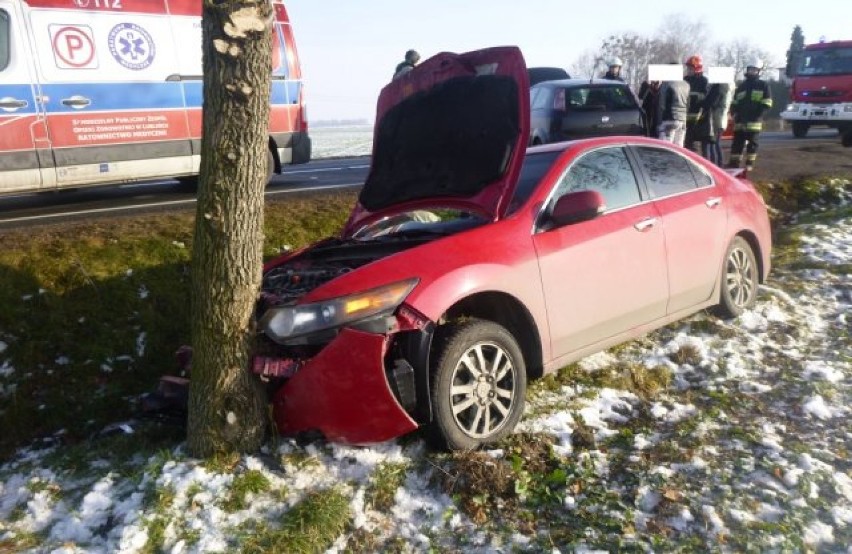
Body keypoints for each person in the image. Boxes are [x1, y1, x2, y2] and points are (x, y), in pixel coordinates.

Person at [728, 58, 773, 171]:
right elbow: (735, 101)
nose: (752, 72)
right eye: (750, 69)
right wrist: (733, 112)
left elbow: (767, 102)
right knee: (737, 143)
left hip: (754, 121)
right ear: (747, 70)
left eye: (754, 70)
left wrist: (758, 114)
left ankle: (749, 164)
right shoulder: (742, 86)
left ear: (758, 71)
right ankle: (734, 163)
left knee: (752, 144)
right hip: (740, 121)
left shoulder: (763, 85)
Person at [656, 64, 690, 146]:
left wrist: (658, 123)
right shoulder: (686, 85)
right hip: (682, 120)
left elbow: (661, 104)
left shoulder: (666, 84)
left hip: (669, 118)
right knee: (679, 147)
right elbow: (688, 104)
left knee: (666, 147)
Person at [683, 55, 710, 153]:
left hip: (698, 117)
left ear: (697, 68)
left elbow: (705, 98)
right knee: (686, 142)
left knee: (695, 143)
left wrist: (693, 96)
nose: (689, 70)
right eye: (688, 67)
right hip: (685, 116)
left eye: (691, 68)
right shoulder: (685, 79)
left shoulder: (704, 81)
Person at [704, 81, 733, 165]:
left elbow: (712, 103)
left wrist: (704, 103)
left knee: (713, 143)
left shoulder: (719, 88)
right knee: (716, 143)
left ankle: (716, 164)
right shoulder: (726, 88)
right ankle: (719, 163)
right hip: (721, 119)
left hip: (717, 119)